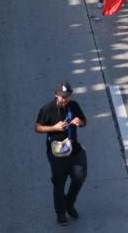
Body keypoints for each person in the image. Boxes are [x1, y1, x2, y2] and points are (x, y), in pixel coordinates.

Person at [34, 80, 87, 226]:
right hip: (56, 151)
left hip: (73, 147)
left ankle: (69, 203)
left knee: (79, 177)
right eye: (63, 96)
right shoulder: (48, 109)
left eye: (67, 96)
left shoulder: (74, 105)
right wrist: (54, 128)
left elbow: (84, 121)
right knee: (59, 183)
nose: (65, 99)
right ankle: (61, 213)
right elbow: (38, 128)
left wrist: (80, 122)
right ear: (56, 95)